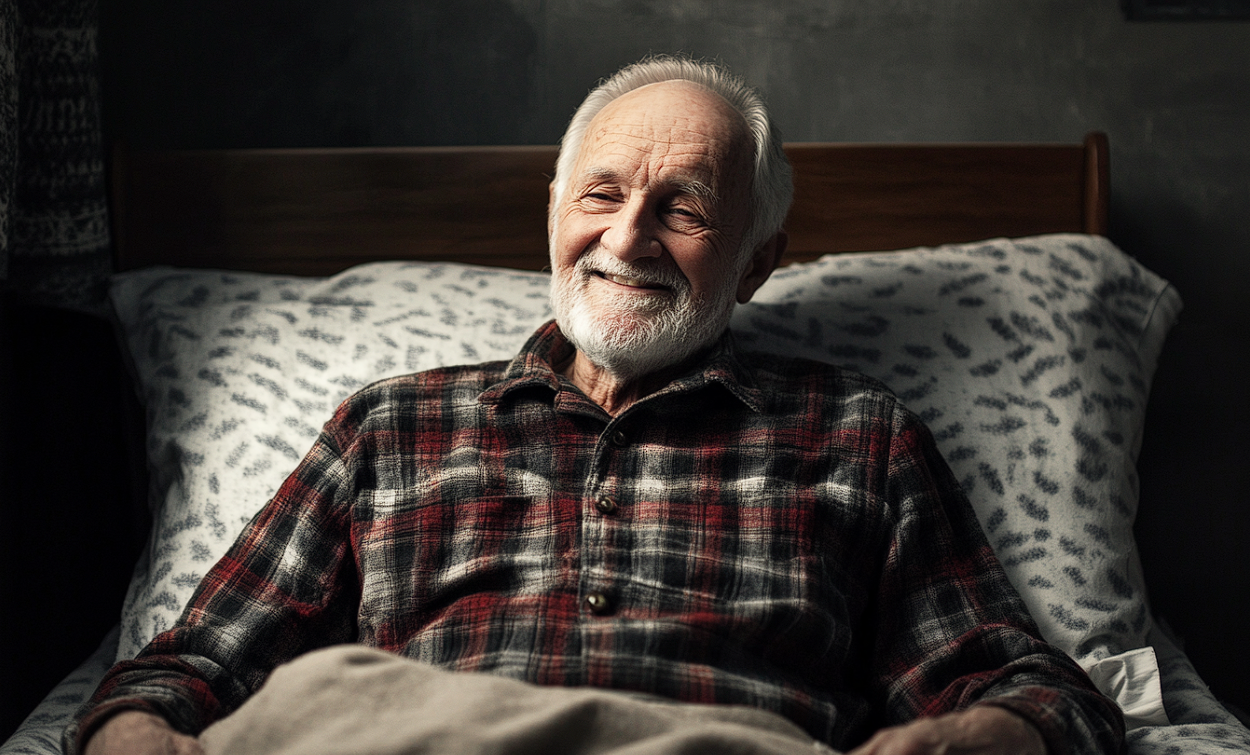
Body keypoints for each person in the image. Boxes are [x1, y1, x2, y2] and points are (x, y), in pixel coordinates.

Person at [67, 55, 1124, 755]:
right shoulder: (389, 427)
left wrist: (956, 738)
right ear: (553, 213)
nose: (626, 239)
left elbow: (1040, 695)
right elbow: (187, 666)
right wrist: (137, 733)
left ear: (758, 262)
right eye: (602, 194)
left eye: (684, 208)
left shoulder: (857, 437)